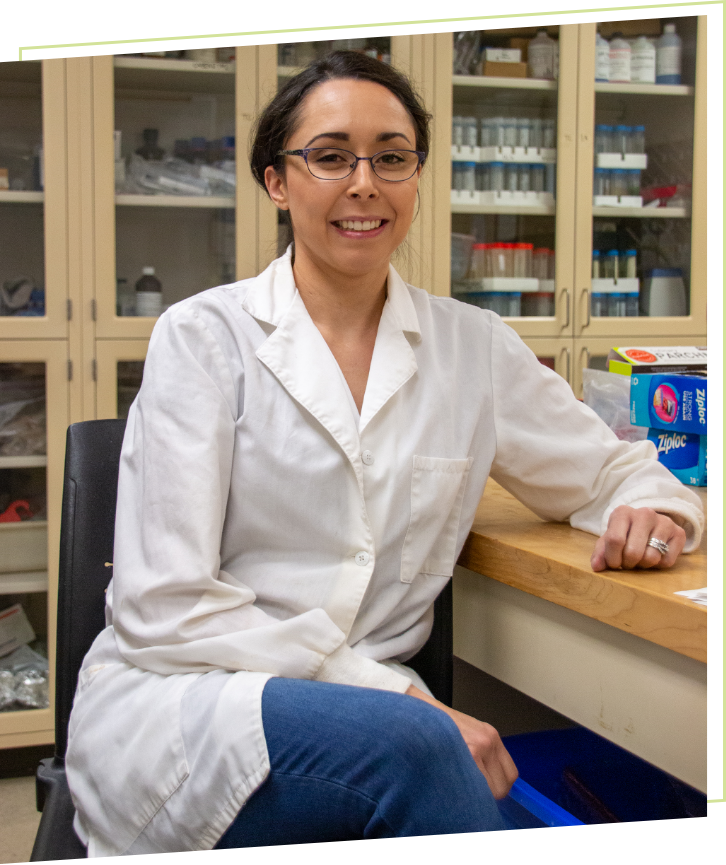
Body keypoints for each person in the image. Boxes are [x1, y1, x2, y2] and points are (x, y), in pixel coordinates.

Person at [65, 51, 704, 854]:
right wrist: (397, 700)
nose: (364, 182)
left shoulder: (471, 347)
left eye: (391, 157)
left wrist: (659, 511)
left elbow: (613, 468)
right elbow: (166, 607)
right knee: (429, 752)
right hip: (190, 704)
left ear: (415, 175)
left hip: (376, 725)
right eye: (330, 156)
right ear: (277, 180)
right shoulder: (203, 339)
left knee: (436, 757)